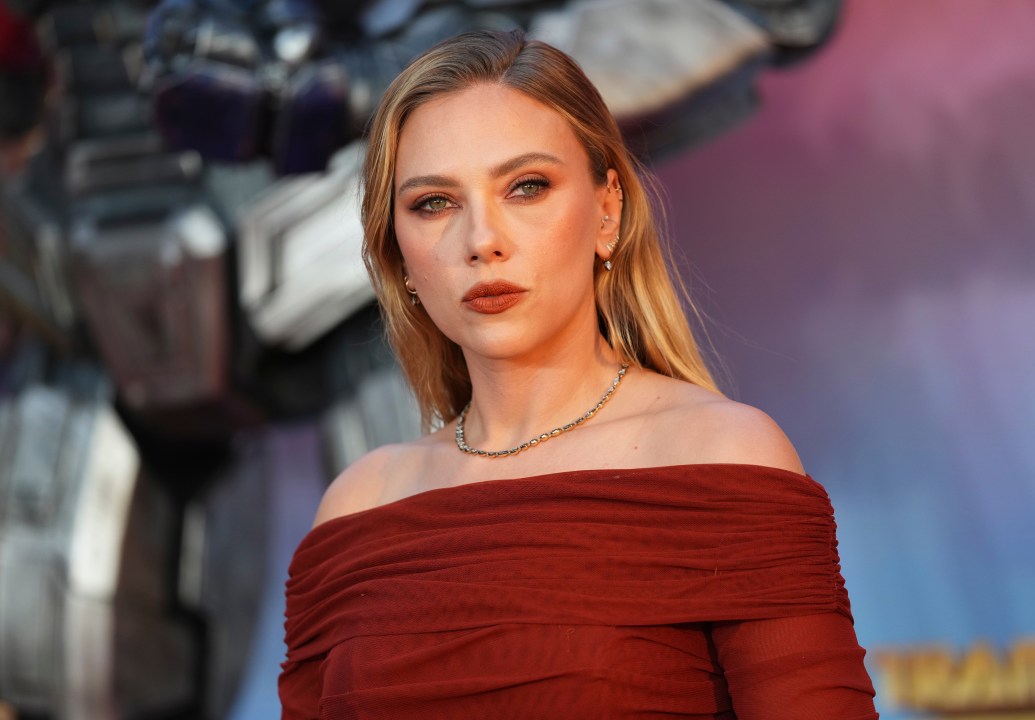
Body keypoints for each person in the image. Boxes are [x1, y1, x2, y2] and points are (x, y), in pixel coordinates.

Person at [281, 29, 878, 719]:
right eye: (434, 203)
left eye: (526, 187)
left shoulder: (717, 457)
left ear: (607, 211)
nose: (482, 241)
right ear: (398, 254)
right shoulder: (359, 506)